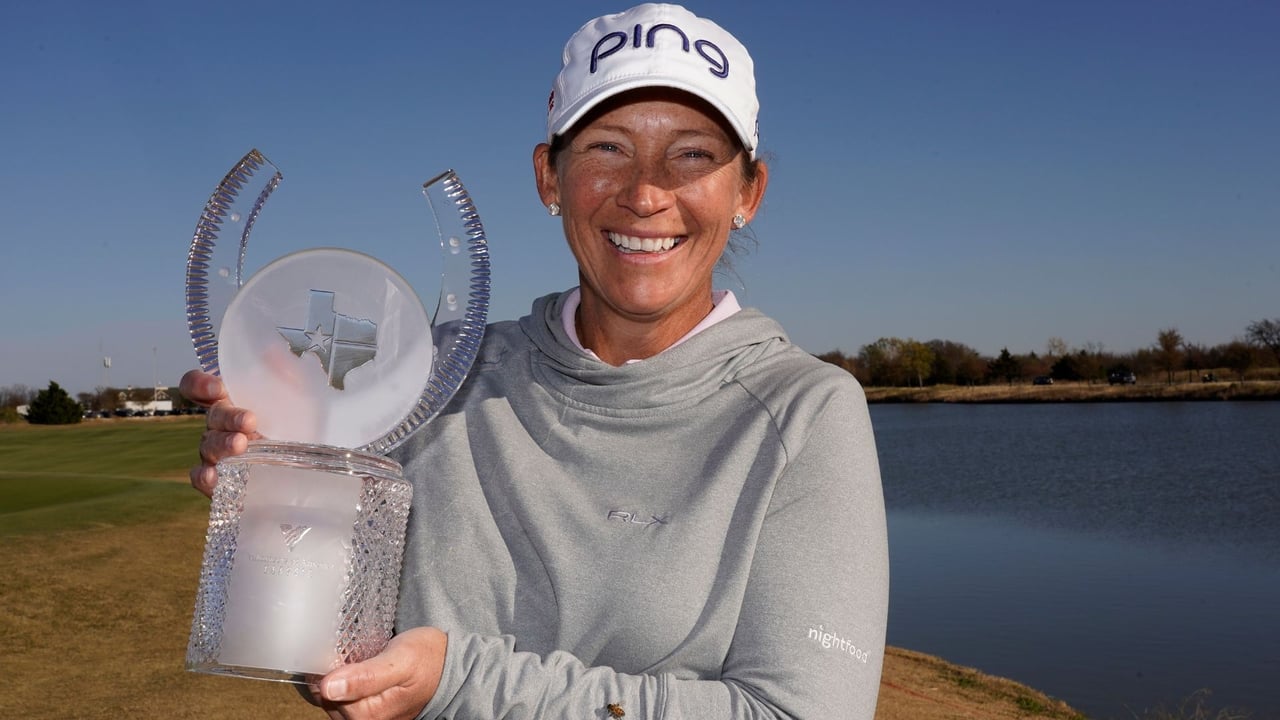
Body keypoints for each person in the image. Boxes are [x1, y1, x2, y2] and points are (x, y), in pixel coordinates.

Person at [182, 4, 889, 719]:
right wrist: (281, 496)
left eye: (694, 154)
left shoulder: (806, 413)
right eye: (608, 148)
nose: (646, 192)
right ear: (549, 179)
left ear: (749, 194)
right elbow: (328, 653)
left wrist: (459, 685)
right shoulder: (434, 376)